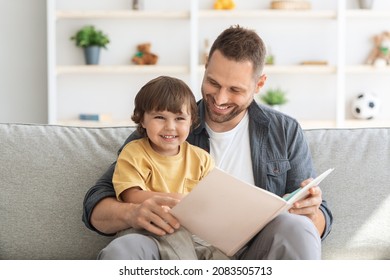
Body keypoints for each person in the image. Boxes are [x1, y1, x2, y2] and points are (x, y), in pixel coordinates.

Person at [82, 25, 333, 260]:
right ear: (205, 66)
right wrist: (132, 213)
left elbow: (321, 221)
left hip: (253, 253)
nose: (220, 98)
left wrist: (310, 211)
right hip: (176, 249)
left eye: (235, 90)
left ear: (259, 84)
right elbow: (95, 205)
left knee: (297, 226)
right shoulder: (167, 127)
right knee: (125, 248)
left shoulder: (284, 131)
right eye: (213, 82)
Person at [111, 75, 219, 259]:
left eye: (179, 118)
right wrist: (176, 199)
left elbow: (210, 201)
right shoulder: (134, 152)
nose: (170, 127)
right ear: (142, 120)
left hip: (191, 235)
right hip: (146, 230)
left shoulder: (202, 158)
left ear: (191, 120)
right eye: (160, 117)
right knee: (175, 238)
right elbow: (131, 195)